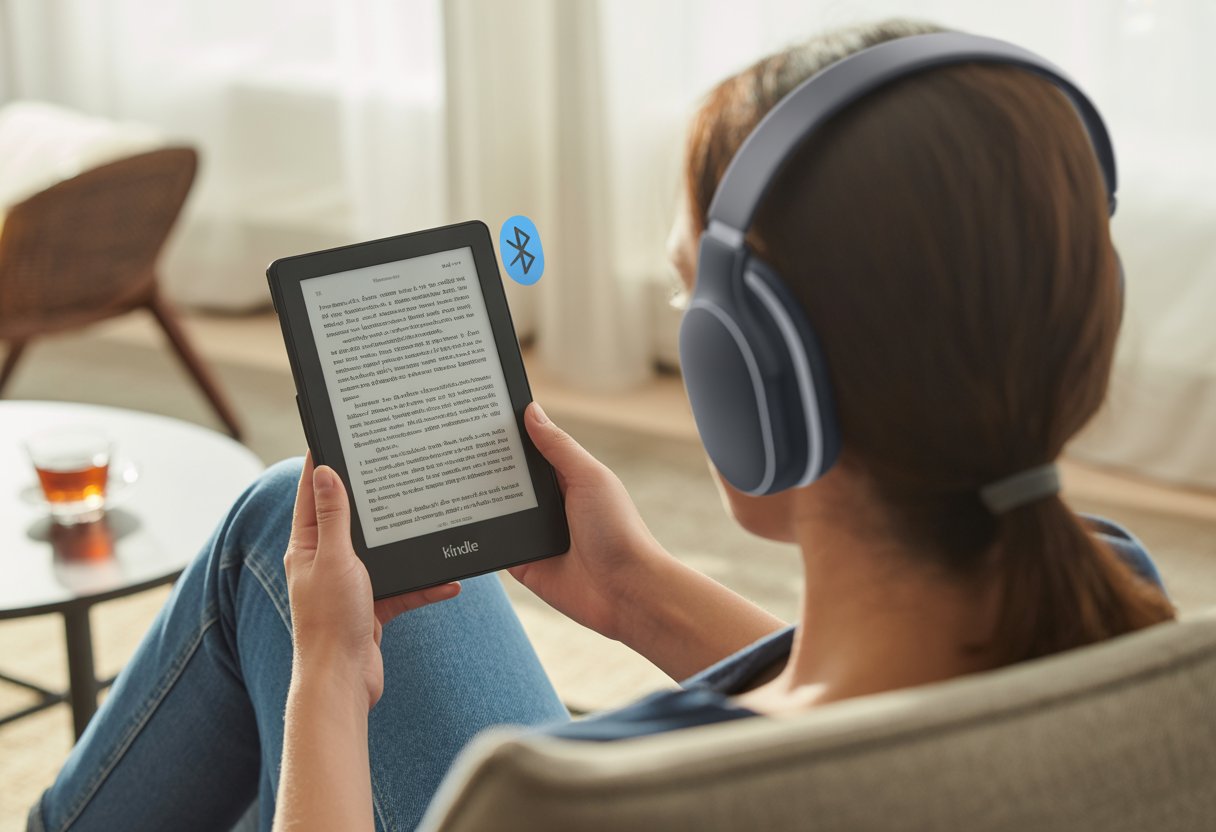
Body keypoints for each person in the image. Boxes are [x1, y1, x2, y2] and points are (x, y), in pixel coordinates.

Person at [30, 19, 1175, 832]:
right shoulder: (1123, 609)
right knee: (292, 506)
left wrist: (328, 679)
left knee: (279, 548)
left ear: (747, 373)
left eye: (691, 296)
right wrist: (635, 591)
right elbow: (879, 716)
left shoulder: (568, 796)